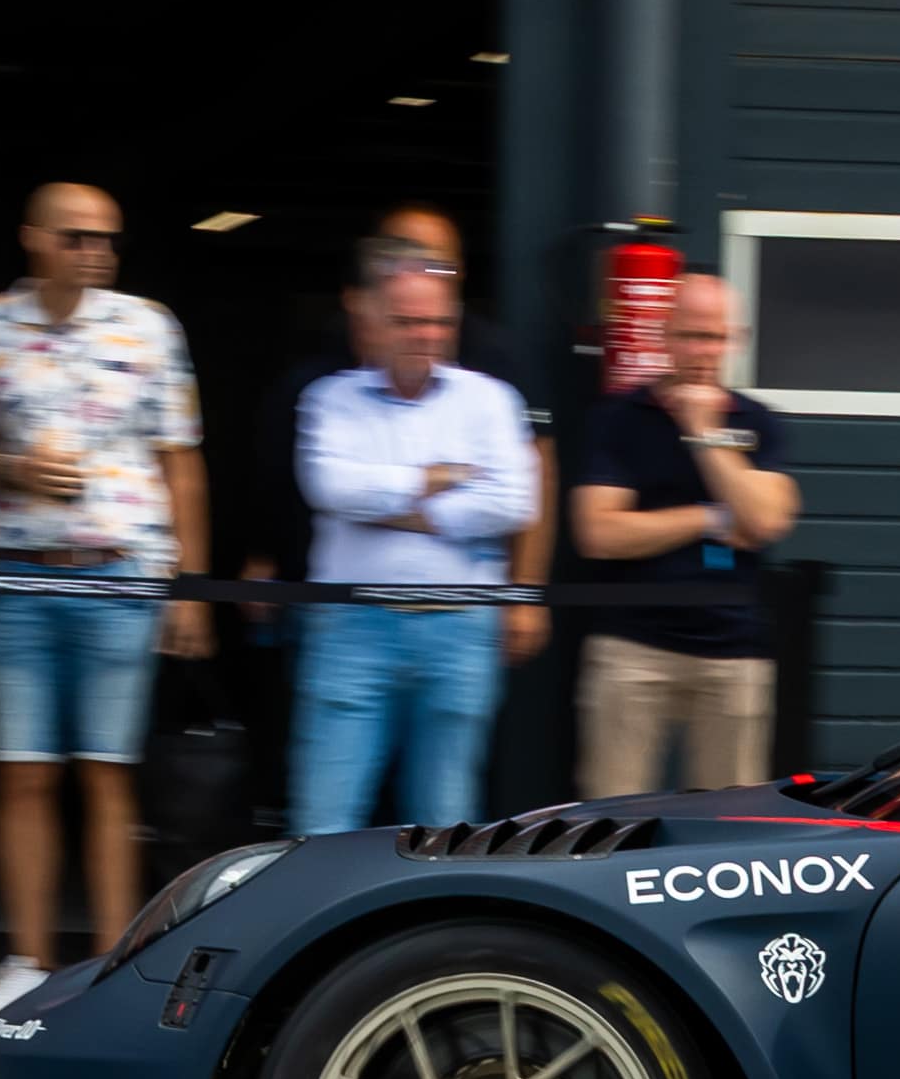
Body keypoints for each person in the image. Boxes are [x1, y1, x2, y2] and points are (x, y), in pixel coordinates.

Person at [0, 178, 210, 1013]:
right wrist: (8, 470)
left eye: (106, 238)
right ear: (32, 237)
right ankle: (25, 957)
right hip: (18, 572)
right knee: (21, 774)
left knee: (107, 774)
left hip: (123, 571)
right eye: (76, 236)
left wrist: (190, 588)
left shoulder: (149, 325)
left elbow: (181, 459)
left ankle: (111, 964)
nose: (94, 251)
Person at [292, 247, 536, 830]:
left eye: (435, 322)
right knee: (324, 816)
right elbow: (331, 488)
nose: (423, 335)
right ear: (374, 322)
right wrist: (439, 478)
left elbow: (513, 501)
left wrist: (395, 507)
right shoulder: (330, 398)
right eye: (406, 321)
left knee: (445, 823)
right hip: (352, 627)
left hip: (459, 628)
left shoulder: (492, 401)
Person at [568, 270, 803, 796]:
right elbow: (599, 533)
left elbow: (766, 521)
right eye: (692, 335)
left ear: (733, 340)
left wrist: (704, 434)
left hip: (734, 652)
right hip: (632, 649)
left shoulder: (757, 421)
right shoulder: (618, 419)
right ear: (665, 336)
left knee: (732, 827)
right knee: (611, 821)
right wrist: (713, 517)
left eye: (715, 337)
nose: (703, 350)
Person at [364, 202, 556, 681]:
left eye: (433, 260)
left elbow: (534, 476)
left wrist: (526, 591)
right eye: (400, 258)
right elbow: (319, 478)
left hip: (462, 608)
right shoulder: (345, 343)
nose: (416, 273)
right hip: (351, 608)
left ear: (459, 271)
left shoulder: (498, 356)